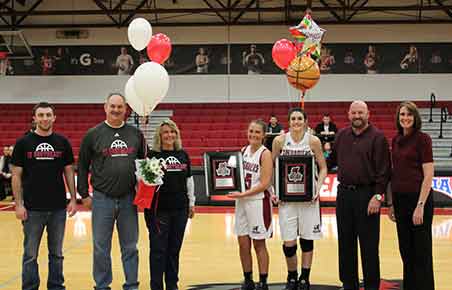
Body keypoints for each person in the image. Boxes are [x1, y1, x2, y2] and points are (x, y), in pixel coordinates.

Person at [77, 93, 146, 290]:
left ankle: (131, 285)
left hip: (128, 199)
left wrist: (144, 192)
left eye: (120, 107)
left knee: (130, 247)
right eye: (112, 106)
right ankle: (102, 285)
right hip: (101, 199)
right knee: (100, 248)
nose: (116, 110)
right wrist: (84, 195)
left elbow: (144, 164)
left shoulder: (135, 134)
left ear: (126, 109)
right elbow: (82, 165)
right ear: (105, 107)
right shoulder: (93, 134)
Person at [10, 102, 77, 290]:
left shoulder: (62, 142)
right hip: (31, 209)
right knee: (30, 254)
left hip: (57, 208)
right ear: (34, 118)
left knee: (56, 253)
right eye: (41, 115)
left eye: (48, 115)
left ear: (54, 117)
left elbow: (69, 171)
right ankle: (30, 287)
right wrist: (18, 204)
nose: (45, 118)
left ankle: (56, 286)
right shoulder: (23, 143)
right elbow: (16, 175)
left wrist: (72, 199)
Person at [328, 101, 391, 290]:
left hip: (368, 196)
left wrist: (378, 196)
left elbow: (385, 171)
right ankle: (349, 284)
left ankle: (372, 285)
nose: (357, 116)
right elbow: (330, 162)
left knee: (369, 246)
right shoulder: (341, 136)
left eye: (360, 112)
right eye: (354, 112)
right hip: (344, 195)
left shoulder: (378, 138)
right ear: (348, 114)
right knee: (345, 244)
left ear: (368, 114)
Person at [272, 108, 328, 290]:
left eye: (299, 119)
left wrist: (318, 189)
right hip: (286, 200)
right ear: (289, 121)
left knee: (306, 240)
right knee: (289, 243)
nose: (296, 122)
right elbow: (270, 167)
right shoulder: (279, 141)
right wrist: (273, 191)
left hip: (308, 200)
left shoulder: (313, 141)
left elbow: (323, 168)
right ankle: (291, 275)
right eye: (293, 119)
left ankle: (305, 277)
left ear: (305, 121)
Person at [386, 101, 435, 290]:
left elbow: (429, 174)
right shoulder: (396, 140)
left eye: (409, 115)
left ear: (415, 118)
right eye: (402, 115)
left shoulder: (423, 139)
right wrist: (391, 204)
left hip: (418, 201)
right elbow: (394, 173)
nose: (405, 118)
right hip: (400, 201)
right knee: (405, 251)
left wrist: (420, 205)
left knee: (421, 252)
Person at [144, 119, 195, 290]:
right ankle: (156, 286)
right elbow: (146, 184)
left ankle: (172, 285)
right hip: (158, 210)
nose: (169, 135)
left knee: (174, 250)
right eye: (166, 132)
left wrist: (191, 203)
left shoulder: (183, 155)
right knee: (158, 251)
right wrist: (150, 173)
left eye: (172, 132)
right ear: (159, 135)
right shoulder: (152, 156)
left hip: (180, 209)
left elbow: (189, 180)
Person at [228, 119, 273, 290]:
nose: (253, 134)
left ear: (263, 135)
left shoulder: (265, 153)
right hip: (242, 203)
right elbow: (230, 173)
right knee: (243, 243)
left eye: (257, 132)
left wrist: (243, 194)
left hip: (258, 202)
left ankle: (263, 282)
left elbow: (264, 183)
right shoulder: (242, 151)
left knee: (259, 244)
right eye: (251, 131)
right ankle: (248, 280)